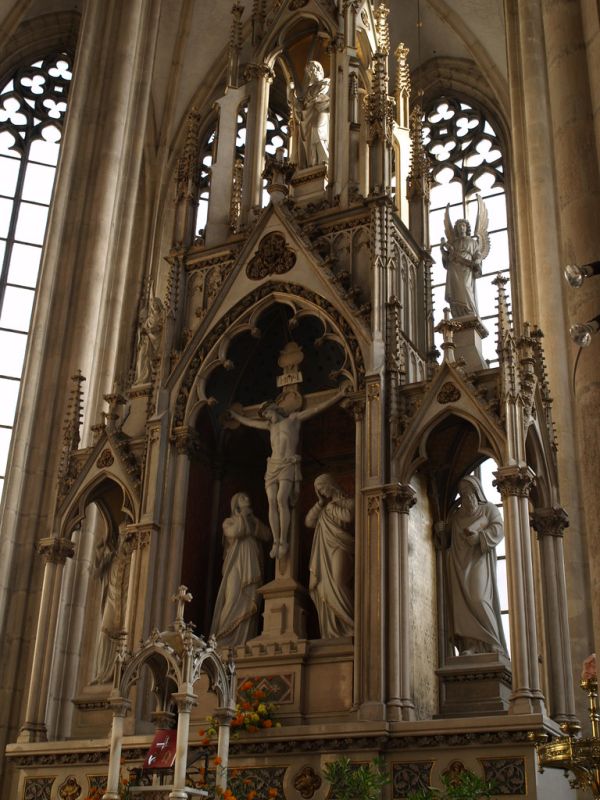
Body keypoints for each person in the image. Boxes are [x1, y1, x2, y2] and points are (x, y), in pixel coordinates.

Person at [228, 387, 347, 559]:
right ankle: (276, 541)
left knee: (281, 499)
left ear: (274, 409)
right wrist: (236, 416)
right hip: (272, 466)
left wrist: (339, 395)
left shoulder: (293, 420)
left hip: (287, 464)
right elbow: (250, 422)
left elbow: (316, 409)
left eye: (267, 413)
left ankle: (283, 540)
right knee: (271, 501)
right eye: (264, 416)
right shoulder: (270, 427)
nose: (266, 417)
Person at [446, 475, 508, 656]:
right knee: (463, 604)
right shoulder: (457, 516)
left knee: (479, 599)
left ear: (477, 492)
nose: (467, 497)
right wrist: (441, 530)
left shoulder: (488, 510)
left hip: (479, 561)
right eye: (463, 493)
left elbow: (498, 528)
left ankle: (493, 643)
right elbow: (446, 538)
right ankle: (471, 644)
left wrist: (479, 537)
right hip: (459, 564)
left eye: (470, 492)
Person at [210, 492, 270, 647]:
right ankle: (223, 639)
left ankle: (244, 640)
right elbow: (236, 532)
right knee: (232, 598)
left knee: (250, 599)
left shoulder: (254, 522)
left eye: (247, 496)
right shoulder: (228, 522)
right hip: (235, 567)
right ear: (236, 504)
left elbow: (267, 535)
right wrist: (243, 517)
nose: (248, 498)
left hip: (252, 566)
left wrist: (252, 521)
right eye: (243, 497)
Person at [305, 474, 355, 638]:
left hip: (341, 546)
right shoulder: (324, 507)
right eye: (319, 491)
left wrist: (330, 507)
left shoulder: (349, 502)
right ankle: (332, 632)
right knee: (324, 588)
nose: (323, 492)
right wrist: (320, 504)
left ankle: (351, 624)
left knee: (338, 582)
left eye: (323, 488)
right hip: (324, 552)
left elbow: (348, 516)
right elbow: (309, 522)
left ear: (331, 485)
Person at [92, 525, 129, 684]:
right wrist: (99, 551)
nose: (123, 542)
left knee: (125, 634)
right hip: (112, 601)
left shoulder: (135, 558)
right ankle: (101, 673)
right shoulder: (112, 558)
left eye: (127, 538)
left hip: (127, 602)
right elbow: (95, 572)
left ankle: (119, 674)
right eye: (121, 537)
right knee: (105, 633)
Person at [441, 218, 482, 318]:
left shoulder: (472, 242)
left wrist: (476, 261)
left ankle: (469, 310)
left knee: (466, 287)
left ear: (467, 228)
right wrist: (443, 250)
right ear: (456, 229)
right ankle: (458, 312)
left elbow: (477, 254)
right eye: (459, 226)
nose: (461, 228)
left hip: (467, 266)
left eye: (463, 225)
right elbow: (448, 258)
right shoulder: (454, 243)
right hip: (454, 267)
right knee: (455, 291)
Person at [297, 60, 330, 168]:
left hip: (321, 111)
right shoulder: (309, 89)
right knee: (310, 136)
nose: (311, 73)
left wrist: (318, 100)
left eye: (313, 69)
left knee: (318, 131)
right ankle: (313, 162)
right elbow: (305, 104)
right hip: (309, 114)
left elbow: (331, 98)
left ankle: (324, 159)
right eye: (309, 71)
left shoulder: (327, 82)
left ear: (319, 70)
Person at [134, 296, 164, 384]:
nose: (154, 305)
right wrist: (142, 331)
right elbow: (143, 329)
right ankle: (141, 378)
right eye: (152, 304)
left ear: (159, 304)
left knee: (147, 358)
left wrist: (150, 331)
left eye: (155, 303)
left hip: (153, 342)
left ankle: (146, 377)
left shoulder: (162, 315)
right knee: (141, 358)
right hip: (146, 341)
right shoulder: (149, 318)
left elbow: (160, 328)